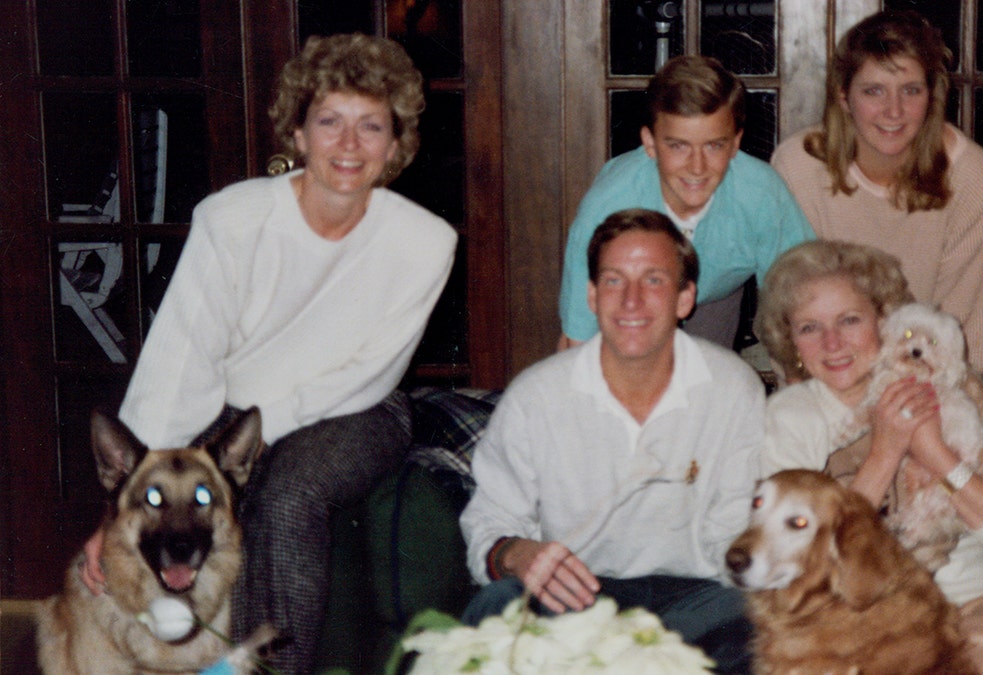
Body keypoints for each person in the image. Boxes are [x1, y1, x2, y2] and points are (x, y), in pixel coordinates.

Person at [81, 34, 457, 673]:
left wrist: (243, 448)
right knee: (176, 498)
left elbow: (368, 375)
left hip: (359, 410)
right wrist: (122, 500)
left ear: (395, 147)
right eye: (329, 122)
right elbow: (182, 358)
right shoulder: (232, 220)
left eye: (371, 127)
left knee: (285, 494)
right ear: (299, 134)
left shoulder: (425, 242)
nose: (348, 145)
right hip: (231, 407)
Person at [753, 240, 983, 674]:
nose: (832, 342)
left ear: (884, 322)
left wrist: (937, 455)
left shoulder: (958, 390)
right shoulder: (790, 417)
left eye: (849, 320)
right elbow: (795, 567)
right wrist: (885, 454)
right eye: (809, 327)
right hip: (856, 618)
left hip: (972, 605)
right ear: (791, 342)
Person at [462, 208, 763, 673]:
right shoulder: (535, 396)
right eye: (614, 281)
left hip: (696, 601)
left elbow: (734, 541)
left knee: (759, 616)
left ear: (686, 298)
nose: (631, 301)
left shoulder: (732, 388)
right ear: (591, 295)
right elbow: (489, 523)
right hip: (575, 595)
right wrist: (516, 553)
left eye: (655, 280)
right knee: (498, 605)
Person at [770, 10, 983, 379]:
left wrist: (930, 408)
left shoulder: (971, 177)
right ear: (844, 97)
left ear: (931, 96)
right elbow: (788, 312)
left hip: (930, 385)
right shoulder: (798, 167)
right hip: (827, 383)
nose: (893, 111)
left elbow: (976, 321)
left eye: (910, 90)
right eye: (873, 90)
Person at [558, 55, 815, 351]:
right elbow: (577, 335)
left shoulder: (762, 194)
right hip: (632, 291)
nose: (697, 167)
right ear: (650, 143)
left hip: (714, 290)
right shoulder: (609, 203)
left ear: (735, 144)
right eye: (678, 146)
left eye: (714, 145)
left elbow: (803, 300)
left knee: (707, 380)